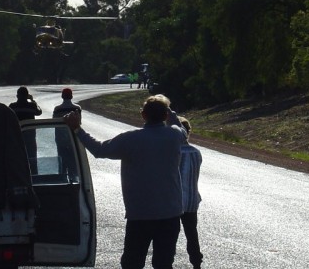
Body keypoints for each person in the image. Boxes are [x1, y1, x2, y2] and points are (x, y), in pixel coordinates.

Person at [64, 94, 186, 269]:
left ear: (143, 115)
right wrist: (171, 113)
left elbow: (98, 150)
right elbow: (180, 127)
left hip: (140, 214)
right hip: (170, 213)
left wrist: (77, 129)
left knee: (132, 262)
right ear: (165, 116)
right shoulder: (174, 135)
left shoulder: (130, 139)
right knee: (164, 263)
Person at [178, 116, 203, 269]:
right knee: (191, 234)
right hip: (192, 199)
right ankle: (196, 261)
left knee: (170, 235)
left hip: (175, 200)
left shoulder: (174, 152)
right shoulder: (196, 152)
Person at [9, 87, 42, 173]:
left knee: (18, 160)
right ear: (27, 96)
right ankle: (34, 178)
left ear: (17, 96)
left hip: (17, 138)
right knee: (32, 160)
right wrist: (32, 100)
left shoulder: (12, 107)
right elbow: (39, 112)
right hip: (30, 138)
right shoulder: (32, 106)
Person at [53, 88, 81, 179]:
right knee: (74, 162)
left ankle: (62, 180)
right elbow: (79, 123)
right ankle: (74, 180)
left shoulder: (57, 109)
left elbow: (54, 123)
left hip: (61, 140)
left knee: (62, 162)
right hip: (73, 139)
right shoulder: (77, 108)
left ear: (62, 96)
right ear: (72, 96)